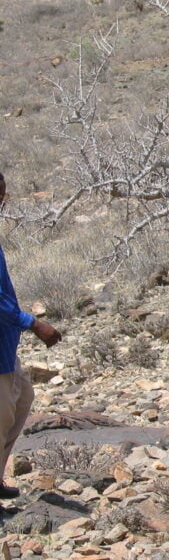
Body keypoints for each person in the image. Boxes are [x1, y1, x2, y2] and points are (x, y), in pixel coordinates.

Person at [0, 171, 62, 499]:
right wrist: (34, 324)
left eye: (3, 195)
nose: (2, 201)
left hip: (5, 344)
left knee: (22, 399)